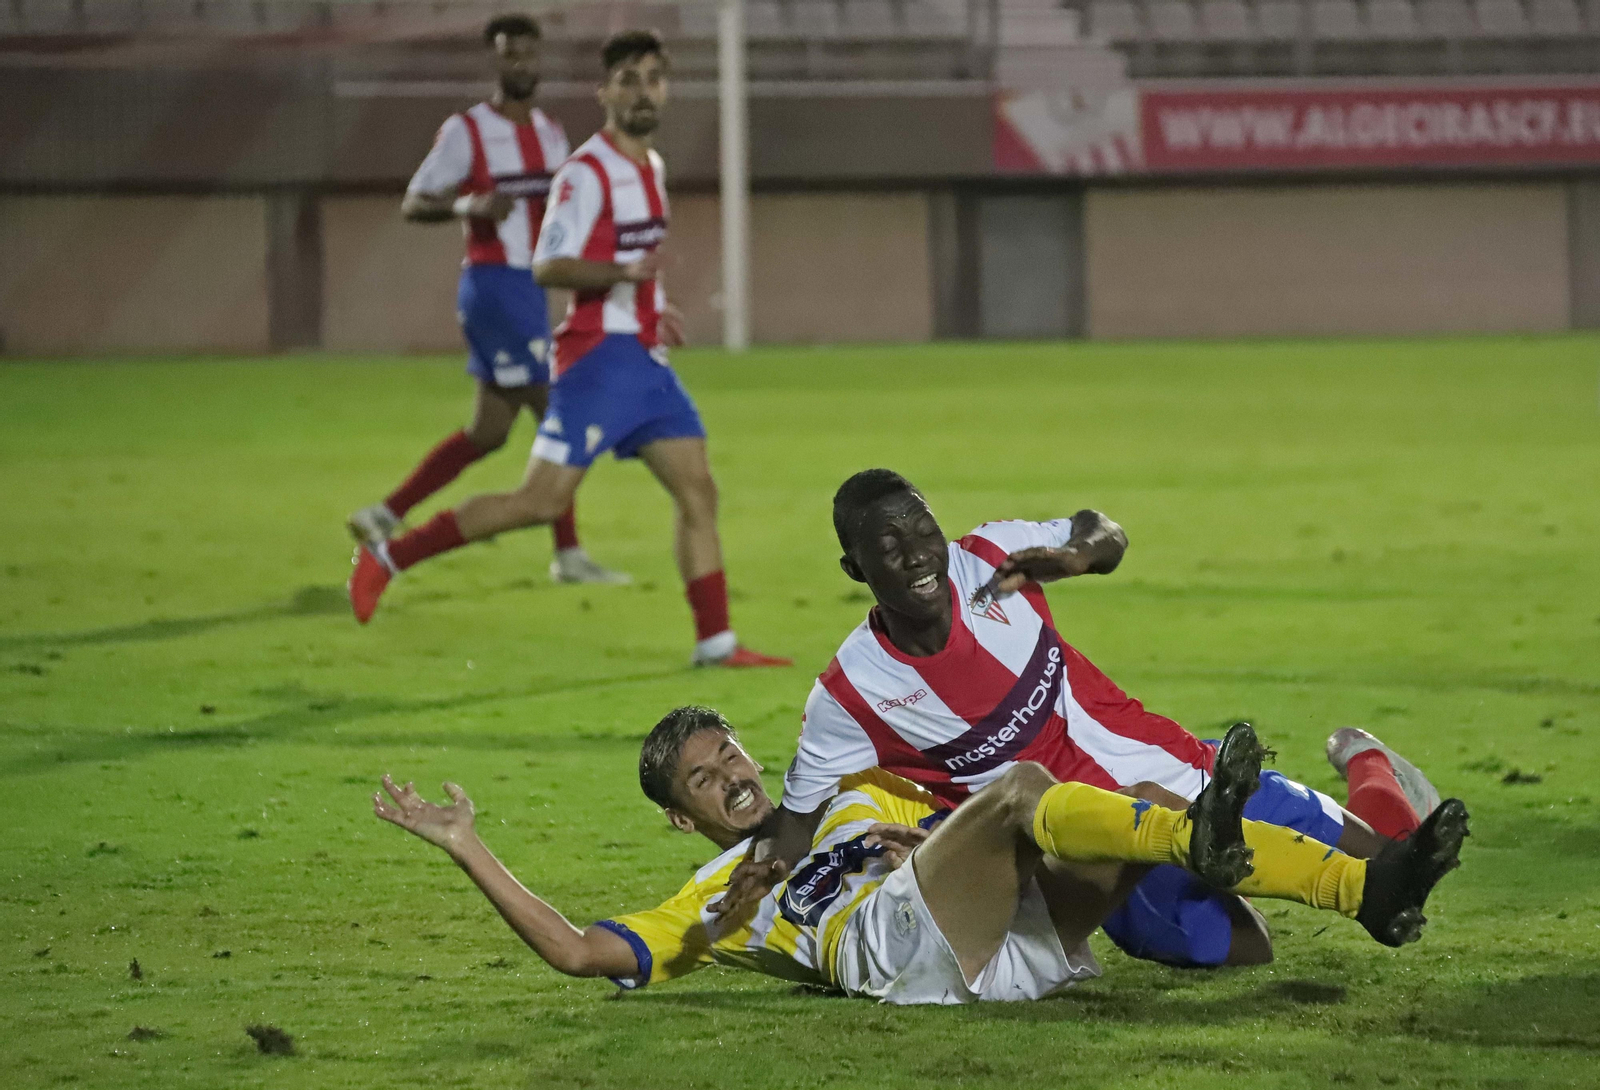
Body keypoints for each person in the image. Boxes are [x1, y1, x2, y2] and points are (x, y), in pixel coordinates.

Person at [721, 468, 1449, 967]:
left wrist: (1078, 555)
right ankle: (1328, 862)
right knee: (1237, 950)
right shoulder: (852, 693)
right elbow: (796, 820)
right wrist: (744, 883)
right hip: (1091, 856)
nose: (918, 556)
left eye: (922, 531)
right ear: (855, 570)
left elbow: (1105, 529)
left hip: (1169, 765)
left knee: (1392, 856)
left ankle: (1369, 766)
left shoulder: (993, 557)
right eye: (888, 547)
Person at [372, 710, 1467, 1005]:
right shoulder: (708, 897)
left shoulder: (852, 790)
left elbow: (976, 793)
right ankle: (1331, 847)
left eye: (730, 755)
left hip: (1011, 934)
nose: (732, 778)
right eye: (703, 783)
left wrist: (925, 830)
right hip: (906, 957)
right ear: (681, 817)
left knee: (1234, 941)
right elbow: (572, 952)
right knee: (1044, 799)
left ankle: (1358, 807)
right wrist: (465, 841)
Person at [349, 30, 789, 669]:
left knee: (698, 490)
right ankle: (390, 556)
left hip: (644, 361)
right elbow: (548, 265)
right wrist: (623, 281)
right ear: (605, 91)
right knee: (539, 502)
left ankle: (716, 642)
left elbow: (636, 263)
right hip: (598, 363)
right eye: (629, 81)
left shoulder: (653, 167)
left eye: (653, 79)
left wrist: (653, 309)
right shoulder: (585, 173)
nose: (643, 93)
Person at [346, 13, 626, 587]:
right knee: (560, 415)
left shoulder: (550, 132)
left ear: (538, 59)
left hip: (531, 288)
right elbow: (414, 201)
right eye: (508, 54)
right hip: (495, 286)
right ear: (495, 61)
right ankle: (568, 554)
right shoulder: (466, 132)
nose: (519, 64)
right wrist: (465, 207)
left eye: (527, 54)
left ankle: (386, 514)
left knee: (490, 432)